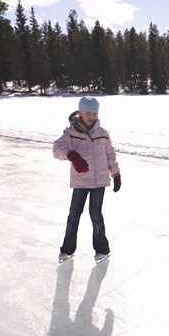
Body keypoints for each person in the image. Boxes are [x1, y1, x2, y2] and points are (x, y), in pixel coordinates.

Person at [53, 97, 121, 264]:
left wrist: (116, 174)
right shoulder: (71, 133)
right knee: (74, 215)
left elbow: (110, 154)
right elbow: (57, 148)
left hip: (99, 182)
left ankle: (102, 249)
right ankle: (67, 250)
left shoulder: (102, 134)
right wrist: (71, 155)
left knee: (96, 215)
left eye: (94, 113)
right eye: (88, 113)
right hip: (81, 181)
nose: (92, 116)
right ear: (81, 113)